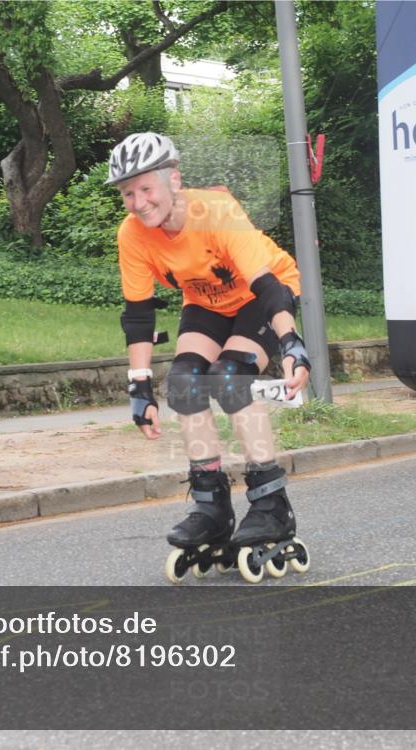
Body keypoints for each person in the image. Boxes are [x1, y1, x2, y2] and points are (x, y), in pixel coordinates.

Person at [107, 132, 312, 581]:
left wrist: (292, 343)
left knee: (231, 379)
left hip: (265, 291)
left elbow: (264, 284)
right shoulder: (133, 235)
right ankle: (212, 507)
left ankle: (270, 503)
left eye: (146, 189)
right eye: (128, 193)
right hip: (207, 301)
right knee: (182, 385)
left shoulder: (216, 212)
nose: (139, 203)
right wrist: (139, 387)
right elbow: (139, 316)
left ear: (173, 179)